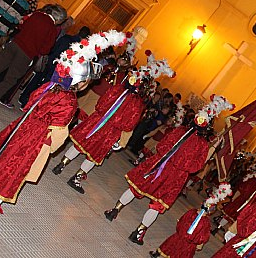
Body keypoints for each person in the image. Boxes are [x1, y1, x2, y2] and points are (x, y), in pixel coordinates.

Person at [0, 30, 127, 235]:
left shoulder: (51, 86)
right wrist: (49, 147)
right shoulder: (68, 101)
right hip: (34, 140)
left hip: (20, 128)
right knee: (10, 174)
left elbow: (29, 103)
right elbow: (58, 133)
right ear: (80, 82)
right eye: (86, 83)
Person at [104, 95, 234, 246]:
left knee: (137, 188)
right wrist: (182, 165)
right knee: (157, 204)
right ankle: (138, 232)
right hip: (175, 176)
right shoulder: (202, 145)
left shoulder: (181, 131)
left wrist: (170, 158)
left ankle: (115, 210)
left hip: (160, 165)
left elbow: (162, 146)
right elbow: (196, 166)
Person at [52, 48, 176, 195]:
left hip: (98, 121)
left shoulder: (118, 89)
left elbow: (101, 103)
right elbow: (129, 124)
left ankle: (61, 164)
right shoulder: (137, 104)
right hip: (110, 132)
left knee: (81, 144)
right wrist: (121, 140)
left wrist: (100, 115)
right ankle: (76, 178)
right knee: (94, 156)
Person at [0, 3, 67, 112]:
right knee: (11, 78)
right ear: (59, 20)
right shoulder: (52, 30)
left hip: (15, 44)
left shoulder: (37, 15)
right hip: (26, 55)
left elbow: (22, 26)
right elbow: (45, 50)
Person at [149, 183, 233, 258]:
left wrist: (180, 228)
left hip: (179, 236)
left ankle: (156, 254)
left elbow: (182, 220)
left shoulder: (192, 212)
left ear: (202, 205)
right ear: (210, 212)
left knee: (169, 245)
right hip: (189, 244)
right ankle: (158, 254)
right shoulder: (206, 223)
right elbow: (202, 237)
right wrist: (199, 245)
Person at [17, 25, 91, 109]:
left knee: (36, 79)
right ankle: (28, 103)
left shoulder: (66, 38)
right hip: (58, 69)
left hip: (50, 61)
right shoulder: (79, 48)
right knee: (43, 86)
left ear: (79, 30)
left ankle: (23, 97)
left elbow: (54, 47)